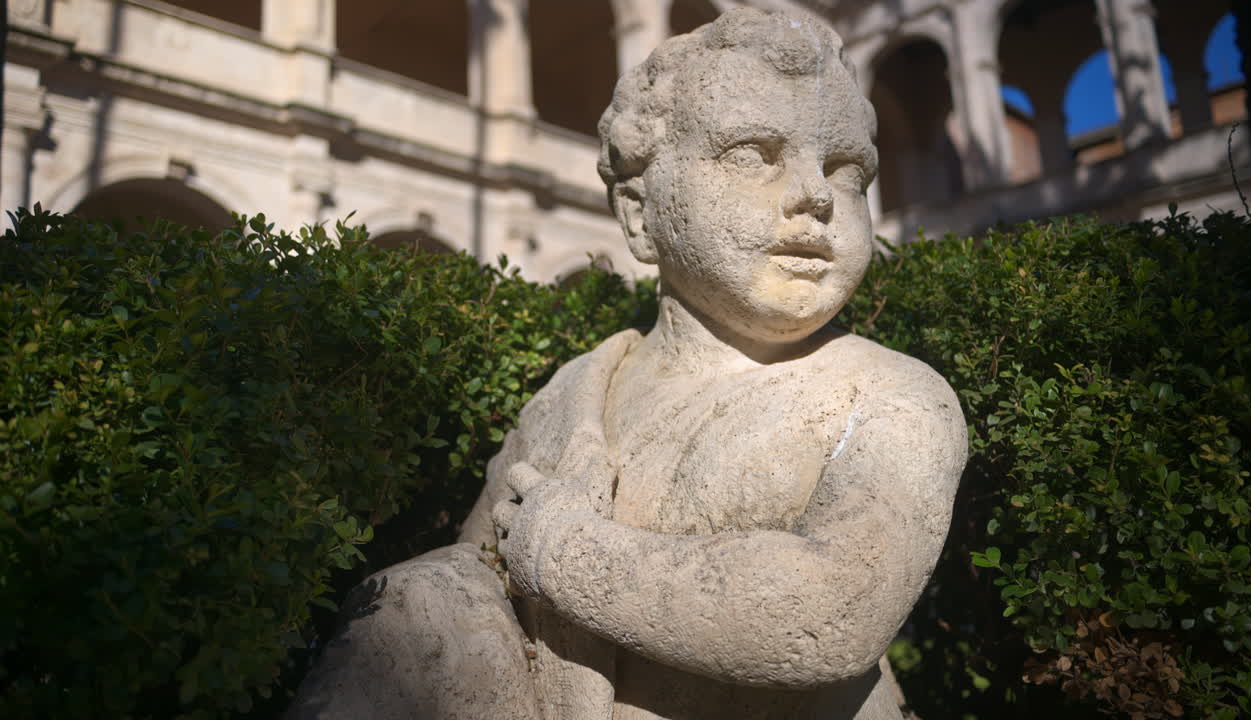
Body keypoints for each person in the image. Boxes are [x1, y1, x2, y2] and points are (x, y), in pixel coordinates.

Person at [289, 9, 966, 720]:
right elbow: (480, 574)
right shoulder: (572, 396)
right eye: (753, 155)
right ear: (641, 215)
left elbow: (830, 608)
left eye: (845, 170)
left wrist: (563, 552)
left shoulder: (892, 397)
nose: (816, 194)